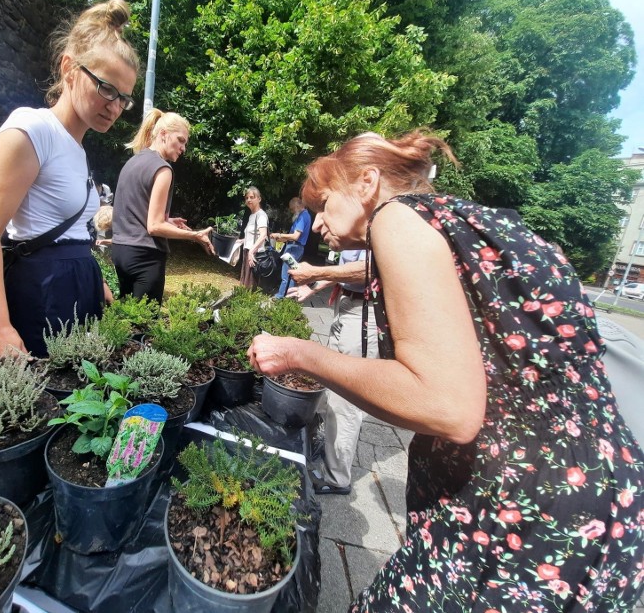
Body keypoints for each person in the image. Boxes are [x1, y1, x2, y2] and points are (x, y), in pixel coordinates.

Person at [248, 130, 643, 611]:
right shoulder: (466, 222)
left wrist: (299, 353)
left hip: (522, 509)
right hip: (593, 500)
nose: (320, 222)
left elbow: (446, 406)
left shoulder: (396, 219)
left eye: (326, 203)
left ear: (367, 182)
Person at [0, 0, 138, 358]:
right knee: (47, 401)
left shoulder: (76, 147)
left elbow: (67, 227)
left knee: (79, 399)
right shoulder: (32, 129)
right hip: (41, 291)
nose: (115, 106)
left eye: (124, 98)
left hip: (78, 287)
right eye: (107, 89)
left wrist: (95, 280)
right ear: (69, 68)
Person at [287, 250, 377, 494]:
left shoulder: (381, 220)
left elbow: (370, 268)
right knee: (329, 383)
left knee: (345, 399)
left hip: (366, 311)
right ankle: (326, 448)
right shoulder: (357, 224)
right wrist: (315, 286)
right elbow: (347, 266)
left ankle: (337, 478)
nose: (319, 227)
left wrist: (316, 272)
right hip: (347, 303)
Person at [111, 109, 214, 303]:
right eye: (181, 140)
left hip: (121, 251)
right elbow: (154, 226)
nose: (183, 148)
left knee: (127, 318)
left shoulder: (133, 162)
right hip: (145, 256)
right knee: (143, 326)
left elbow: (133, 211)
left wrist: (168, 221)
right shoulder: (163, 169)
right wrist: (195, 235)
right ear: (163, 134)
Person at [271, 197, 312, 299]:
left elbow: (295, 236)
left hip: (294, 248)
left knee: (286, 275)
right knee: (292, 274)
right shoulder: (303, 216)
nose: (291, 211)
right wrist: (280, 238)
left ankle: (281, 297)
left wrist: (280, 235)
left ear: (298, 205)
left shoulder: (303, 217)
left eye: (292, 208)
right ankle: (289, 297)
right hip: (295, 247)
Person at [239, 187, 269, 290]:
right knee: (245, 283)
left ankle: (249, 304)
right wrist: (243, 240)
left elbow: (263, 235)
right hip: (248, 251)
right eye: (247, 198)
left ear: (259, 199)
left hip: (255, 254)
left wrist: (251, 252)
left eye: (252, 197)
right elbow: (253, 234)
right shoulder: (252, 215)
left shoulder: (261, 215)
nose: (249, 200)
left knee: (250, 285)